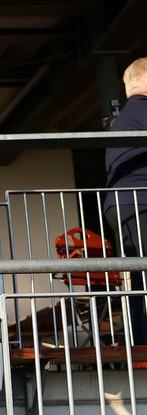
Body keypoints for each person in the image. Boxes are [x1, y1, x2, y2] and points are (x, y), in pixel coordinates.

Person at [104, 57, 147, 346]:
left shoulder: (126, 117)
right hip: (141, 200)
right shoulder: (143, 111)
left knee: (139, 275)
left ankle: (142, 343)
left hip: (124, 204)